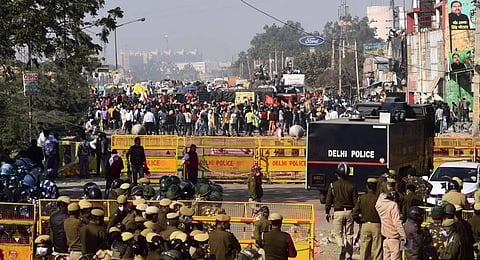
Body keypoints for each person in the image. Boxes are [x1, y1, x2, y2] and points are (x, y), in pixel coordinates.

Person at [325, 162, 358, 259]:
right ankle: (348, 255)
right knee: (349, 235)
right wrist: (356, 214)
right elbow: (356, 202)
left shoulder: (333, 185)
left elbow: (328, 200)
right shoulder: (352, 186)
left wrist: (327, 212)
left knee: (337, 234)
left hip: (338, 212)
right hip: (349, 212)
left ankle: (342, 246)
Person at [352, 178, 382, 260]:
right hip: (377, 225)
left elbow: (354, 214)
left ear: (367, 186)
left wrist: (360, 221)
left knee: (364, 249)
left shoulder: (361, 198)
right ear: (376, 187)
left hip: (365, 225)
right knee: (377, 249)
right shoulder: (379, 198)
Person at [375, 191, 406, 260]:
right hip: (394, 240)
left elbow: (380, 197)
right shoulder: (393, 205)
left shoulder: (380, 206)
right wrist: (403, 235)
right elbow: (397, 223)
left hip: (385, 239)